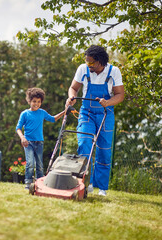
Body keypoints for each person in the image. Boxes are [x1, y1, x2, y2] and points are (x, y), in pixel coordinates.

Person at [65, 45, 124, 196]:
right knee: (84, 143)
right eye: (87, 61)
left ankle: (101, 187)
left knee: (104, 150)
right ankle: (84, 182)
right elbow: (73, 87)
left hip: (106, 112)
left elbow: (120, 95)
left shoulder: (114, 72)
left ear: (100, 62)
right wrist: (71, 97)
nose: (88, 65)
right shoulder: (83, 69)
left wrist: (108, 102)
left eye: (91, 62)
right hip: (87, 112)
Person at [16, 87, 65, 189]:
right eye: (34, 101)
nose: (36, 104)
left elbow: (53, 119)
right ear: (29, 101)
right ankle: (28, 184)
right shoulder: (25, 114)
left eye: (39, 102)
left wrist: (65, 112)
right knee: (30, 164)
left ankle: (39, 184)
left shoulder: (42, 112)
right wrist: (22, 138)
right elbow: (18, 128)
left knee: (40, 165)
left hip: (39, 143)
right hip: (28, 142)